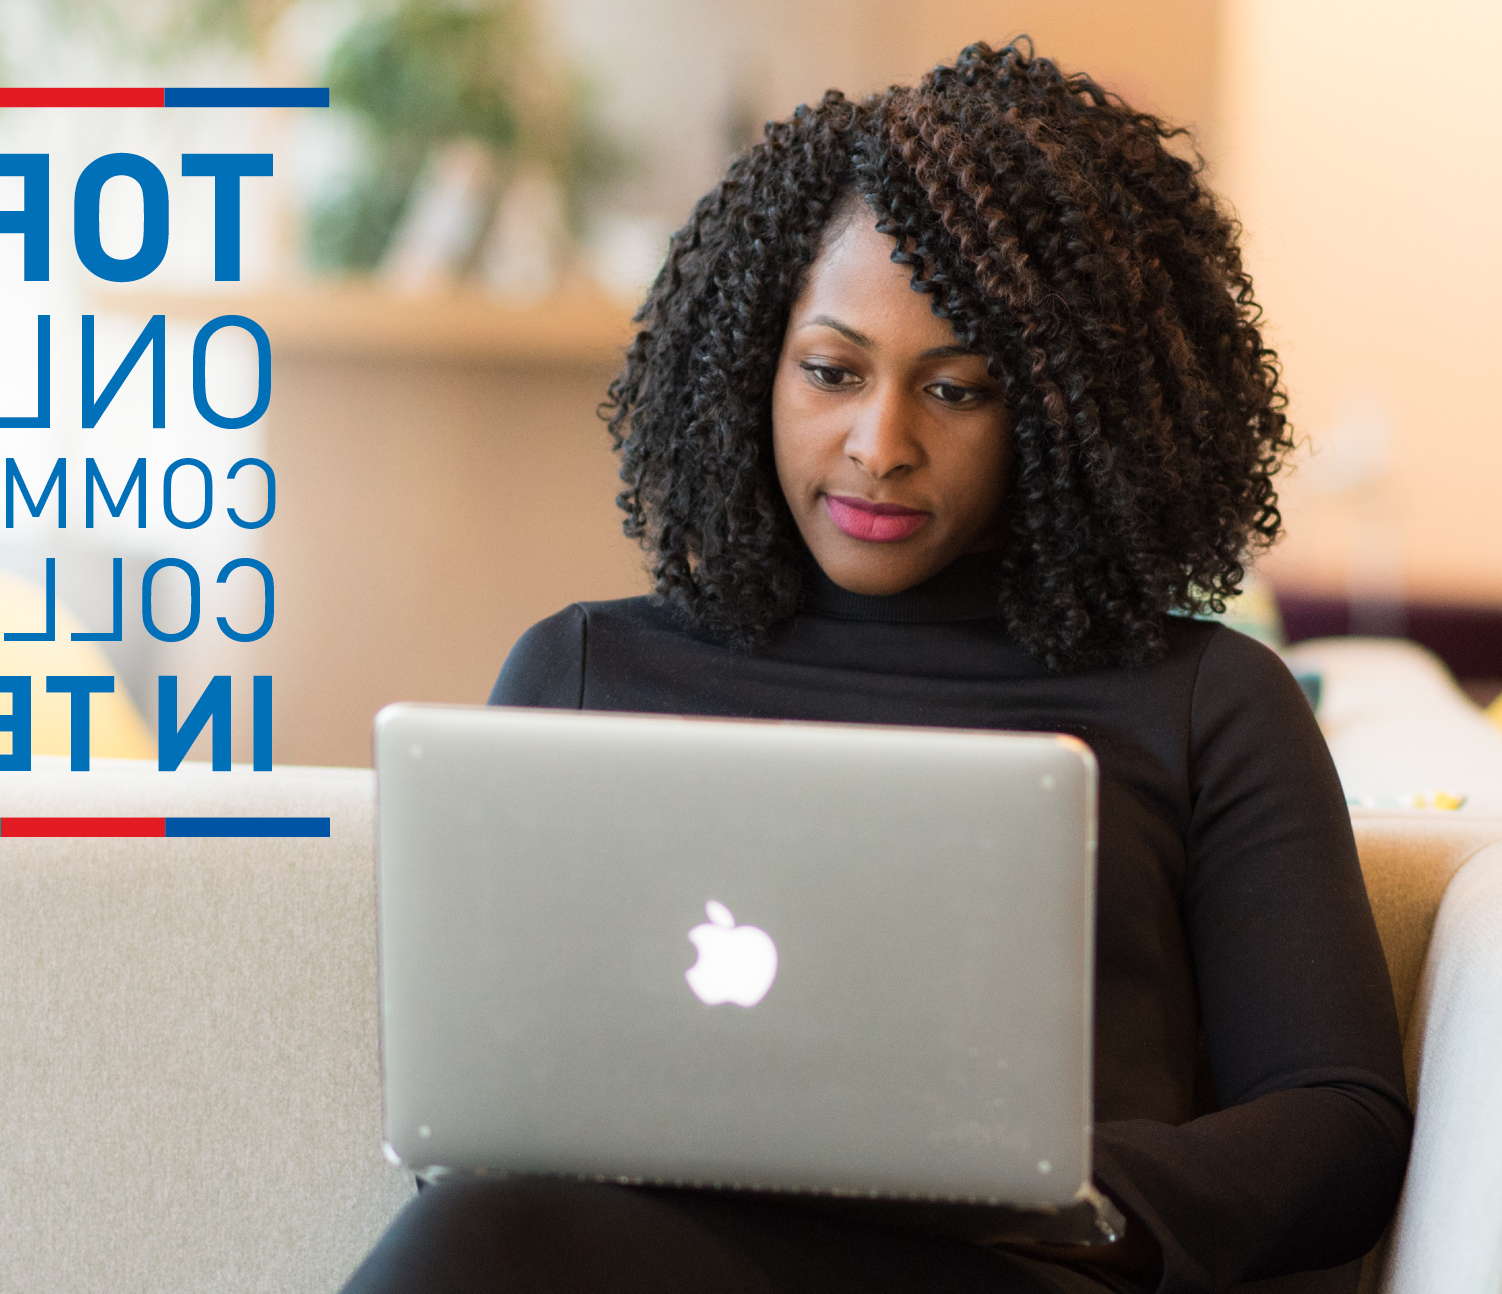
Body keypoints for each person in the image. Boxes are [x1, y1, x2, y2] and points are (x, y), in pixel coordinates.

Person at [339, 42, 1408, 1294]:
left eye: (956, 388)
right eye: (832, 372)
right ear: (751, 369)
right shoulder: (582, 668)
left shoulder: (1203, 701)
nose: (880, 444)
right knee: (472, 1234)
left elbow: (1340, 1124)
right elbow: (491, 1102)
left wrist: (1062, 1190)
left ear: (1066, 412)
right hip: (624, 1261)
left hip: (1009, 1273)